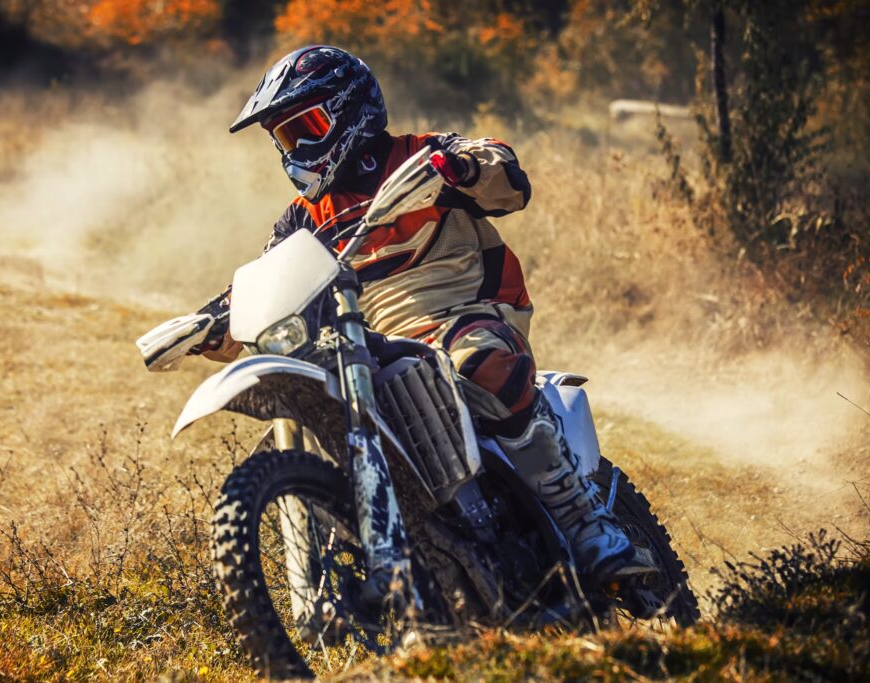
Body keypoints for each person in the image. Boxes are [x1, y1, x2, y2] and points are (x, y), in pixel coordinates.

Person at [198, 45, 650, 582]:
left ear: (349, 110)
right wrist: (214, 319)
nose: (296, 149)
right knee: (310, 417)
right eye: (285, 138)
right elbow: (261, 283)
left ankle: (586, 521)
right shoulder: (299, 221)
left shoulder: (421, 156)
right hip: (373, 348)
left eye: (306, 127)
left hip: (464, 313)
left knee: (478, 361)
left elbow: (506, 181)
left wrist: (462, 166)